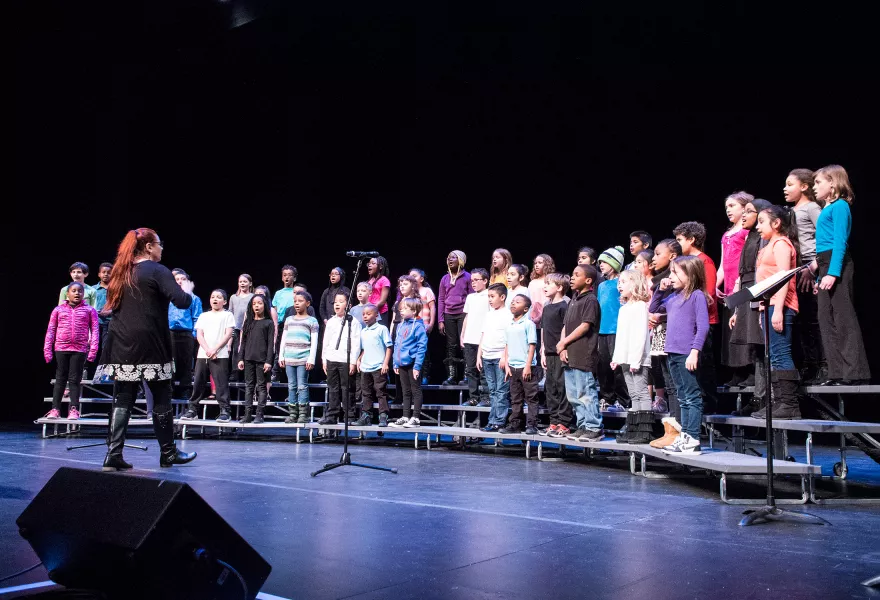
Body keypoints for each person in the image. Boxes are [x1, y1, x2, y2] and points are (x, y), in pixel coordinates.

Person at [100, 228, 197, 470]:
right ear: (149, 247)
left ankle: (113, 454)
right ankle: (168, 453)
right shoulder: (157, 270)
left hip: (121, 341)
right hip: (150, 342)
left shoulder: (121, 272)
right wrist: (188, 289)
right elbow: (182, 301)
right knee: (161, 396)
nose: (162, 248)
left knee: (123, 398)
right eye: (159, 244)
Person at [811, 165, 870, 385]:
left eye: (818, 182)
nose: (814, 187)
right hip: (825, 265)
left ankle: (854, 372)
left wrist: (833, 273)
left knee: (843, 318)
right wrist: (820, 277)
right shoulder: (828, 207)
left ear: (833, 184)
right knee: (825, 319)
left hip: (838, 264)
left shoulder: (840, 206)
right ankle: (835, 372)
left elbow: (839, 242)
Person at [743, 205, 801, 419]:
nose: (758, 227)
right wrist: (761, 308)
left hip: (781, 306)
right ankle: (779, 403)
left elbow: (784, 277)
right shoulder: (769, 245)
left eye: (761, 222)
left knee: (780, 353)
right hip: (768, 306)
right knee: (774, 356)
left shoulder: (781, 243)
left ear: (776, 223)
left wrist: (777, 310)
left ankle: (789, 404)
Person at [649, 256, 709, 455]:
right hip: (672, 353)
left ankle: (693, 439)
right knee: (682, 397)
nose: (671, 276)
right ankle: (685, 437)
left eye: (675, 272)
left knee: (692, 397)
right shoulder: (673, 297)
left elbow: (703, 327)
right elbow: (653, 308)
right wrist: (660, 289)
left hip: (686, 353)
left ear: (690, 274)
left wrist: (694, 352)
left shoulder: (697, 295)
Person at [727, 199, 773, 414]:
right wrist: (736, 308)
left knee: (762, 345)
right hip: (747, 291)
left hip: (758, 290)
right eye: (742, 212)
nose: (743, 216)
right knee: (754, 346)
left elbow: (762, 270)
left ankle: (766, 397)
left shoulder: (762, 239)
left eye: (748, 211)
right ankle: (758, 397)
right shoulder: (750, 238)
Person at [673, 221, 720, 414]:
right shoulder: (683, 264)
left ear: (692, 240)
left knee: (704, 367)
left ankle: (708, 406)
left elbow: (707, 293)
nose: (677, 244)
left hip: (704, 321)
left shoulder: (704, 261)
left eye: (680, 240)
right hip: (687, 325)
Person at [784, 168, 826, 383]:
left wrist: (813, 267)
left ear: (804, 186)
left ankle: (821, 366)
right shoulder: (790, 211)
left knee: (812, 319)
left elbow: (825, 236)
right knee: (799, 320)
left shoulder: (811, 208)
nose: (785, 188)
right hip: (795, 267)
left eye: (790, 184)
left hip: (809, 266)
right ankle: (808, 365)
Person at [43, 282, 99, 420]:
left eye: (80, 291)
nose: (77, 293)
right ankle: (55, 409)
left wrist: (93, 350)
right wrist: (47, 350)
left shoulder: (89, 310)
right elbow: (51, 329)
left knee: (75, 379)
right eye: (73, 291)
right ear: (67, 294)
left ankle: (73, 409)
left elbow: (95, 331)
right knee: (60, 378)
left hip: (79, 349)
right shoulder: (58, 309)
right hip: (61, 347)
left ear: (83, 294)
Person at [560, 265, 603, 442]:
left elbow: (585, 325)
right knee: (573, 394)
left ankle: (594, 427)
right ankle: (583, 425)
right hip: (570, 354)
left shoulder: (590, 300)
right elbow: (565, 325)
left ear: (588, 280)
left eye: (576, 275)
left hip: (583, 353)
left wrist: (564, 341)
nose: (572, 277)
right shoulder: (573, 300)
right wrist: (562, 347)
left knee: (586, 392)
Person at [611, 270, 654, 444]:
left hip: (638, 359)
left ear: (634, 284)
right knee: (633, 394)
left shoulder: (640, 306)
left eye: (623, 282)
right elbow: (621, 336)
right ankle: (634, 429)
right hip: (625, 358)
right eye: (618, 282)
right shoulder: (624, 308)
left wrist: (636, 360)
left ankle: (644, 432)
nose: (619, 285)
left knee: (642, 392)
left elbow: (640, 335)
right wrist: (616, 357)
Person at [181, 289, 235, 422]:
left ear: (225, 301)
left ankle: (225, 411)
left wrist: (215, 350)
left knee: (221, 383)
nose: (215, 299)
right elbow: (199, 334)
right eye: (212, 297)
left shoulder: (227, 315)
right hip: (203, 354)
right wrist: (207, 350)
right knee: (198, 382)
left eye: (218, 297)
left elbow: (228, 334)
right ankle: (193, 410)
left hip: (220, 354)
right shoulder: (204, 316)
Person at [717, 192, 752, 387]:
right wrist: (715, 284)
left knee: (743, 329)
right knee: (731, 332)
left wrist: (741, 279)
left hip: (742, 285)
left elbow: (747, 259)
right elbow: (723, 265)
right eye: (727, 207)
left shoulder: (746, 232)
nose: (728, 210)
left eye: (732, 206)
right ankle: (736, 373)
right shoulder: (726, 234)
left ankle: (748, 373)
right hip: (729, 289)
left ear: (744, 207)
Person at [320, 292, 362, 424]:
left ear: (348, 305)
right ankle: (332, 415)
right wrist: (324, 359)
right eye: (335, 302)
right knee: (333, 387)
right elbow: (326, 341)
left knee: (347, 388)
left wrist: (353, 362)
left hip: (346, 360)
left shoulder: (353, 322)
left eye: (341, 301)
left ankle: (349, 415)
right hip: (332, 358)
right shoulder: (331, 322)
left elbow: (356, 343)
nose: (337, 304)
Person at [499, 294, 539, 435]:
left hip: (526, 367)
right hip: (513, 367)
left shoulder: (528, 324)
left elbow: (532, 345)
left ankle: (532, 425)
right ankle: (515, 423)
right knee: (515, 398)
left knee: (531, 397)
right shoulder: (509, 324)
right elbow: (507, 345)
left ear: (526, 309)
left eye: (518, 302)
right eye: (513, 301)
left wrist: (528, 365)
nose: (513, 304)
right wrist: (507, 364)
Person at [540, 273, 573, 438]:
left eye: (548, 283)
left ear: (559, 287)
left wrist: (563, 347)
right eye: (544, 283)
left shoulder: (564, 306)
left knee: (562, 388)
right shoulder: (546, 307)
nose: (544, 286)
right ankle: (553, 421)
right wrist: (543, 351)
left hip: (559, 353)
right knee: (550, 388)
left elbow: (565, 328)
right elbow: (544, 330)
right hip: (549, 354)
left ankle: (564, 423)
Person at [279, 291, 319, 423]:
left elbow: (314, 342)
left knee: (302, 385)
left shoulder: (312, 321)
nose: (297, 303)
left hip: (303, 358)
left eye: (300, 301)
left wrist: (311, 359)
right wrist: (281, 356)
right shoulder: (289, 320)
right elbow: (283, 339)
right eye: (295, 301)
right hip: (289, 357)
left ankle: (303, 414)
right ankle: (293, 413)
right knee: (291, 386)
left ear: (307, 303)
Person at [596, 246, 629, 409]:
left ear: (615, 264)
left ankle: (623, 400)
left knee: (618, 368)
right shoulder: (602, 285)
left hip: (617, 330)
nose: (601, 264)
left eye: (605, 262)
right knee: (603, 366)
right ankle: (606, 397)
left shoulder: (621, 283)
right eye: (600, 261)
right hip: (602, 331)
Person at [477, 284, 512, 432]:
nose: (489, 300)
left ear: (502, 297)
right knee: (492, 391)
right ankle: (492, 420)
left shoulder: (508, 315)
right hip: (487, 356)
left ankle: (499, 421)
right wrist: (479, 355)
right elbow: (483, 335)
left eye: (492, 296)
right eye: (488, 297)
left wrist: (505, 357)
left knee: (501, 391)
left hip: (499, 357)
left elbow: (509, 338)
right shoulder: (489, 314)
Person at [237, 294, 275, 424]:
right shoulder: (249, 322)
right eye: (254, 304)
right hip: (248, 359)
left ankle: (259, 414)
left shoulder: (269, 323)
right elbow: (243, 342)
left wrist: (269, 361)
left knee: (261, 387)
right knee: (249, 386)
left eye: (259, 303)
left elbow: (271, 344)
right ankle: (247, 414)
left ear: (264, 305)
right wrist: (240, 358)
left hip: (262, 360)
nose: (256, 306)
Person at [390, 297, 428, 428]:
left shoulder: (418, 326)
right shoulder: (400, 325)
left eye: (405, 308)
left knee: (415, 389)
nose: (402, 311)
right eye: (401, 308)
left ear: (414, 311)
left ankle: (416, 417)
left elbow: (422, 347)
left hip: (413, 364)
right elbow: (397, 344)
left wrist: (417, 366)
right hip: (401, 364)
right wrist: (395, 362)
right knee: (405, 390)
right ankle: (406, 416)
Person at [355, 304, 393, 427]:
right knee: (366, 392)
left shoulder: (381, 329)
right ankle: (366, 415)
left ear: (376, 315)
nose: (365, 316)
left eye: (368, 314)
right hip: (365, 367)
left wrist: (385, 363)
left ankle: (383, 415)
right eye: (364, 314)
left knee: (380, 392)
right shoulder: (363, 331)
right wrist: (359, 359)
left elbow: (389, 347)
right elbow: (364, 348)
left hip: (378, 366)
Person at [437, 251, 471, 385]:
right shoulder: (445, 278)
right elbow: (441, 299)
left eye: (453, 257)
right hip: (449, 314)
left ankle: (467, 375)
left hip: (462, 313)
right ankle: (452, 376)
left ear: (461, 260)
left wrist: (469, 316)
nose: (450, 259)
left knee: (464, 344)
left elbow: (471, 297)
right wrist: (440, 320)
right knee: (451, 345)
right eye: (448, 257)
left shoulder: (467, 277)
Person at [168, 269, 202, 400]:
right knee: (169, 362)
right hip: (170, 332)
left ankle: (185, 390)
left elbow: (196, 317)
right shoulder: (168, 298)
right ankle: (168, 389)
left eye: (183, 279)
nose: (180, 281)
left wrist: (194, 335)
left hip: (186, 333)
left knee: (186, 362)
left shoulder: (194, 298)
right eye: (177, 279)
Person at [460, 268, 491, 407]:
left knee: (483, 369)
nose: (473, 283)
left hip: (483, 338)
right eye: (472, 280)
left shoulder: (489, 296)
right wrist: (462, 334)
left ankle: (486, 397)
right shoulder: (470, 297)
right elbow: (467, 317)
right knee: (470, 369)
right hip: (469, 338)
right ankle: (473, 397)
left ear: (485, 281)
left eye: (476, 280)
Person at [229, 274, 254, 383]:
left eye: (245, 281)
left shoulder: (252, 296)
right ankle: (235, 373)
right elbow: (230, 312)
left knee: (246, 349)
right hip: (236, 327)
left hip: (248, 327)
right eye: (240, 282)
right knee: (236, 350)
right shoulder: (233, 297)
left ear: (250, 283)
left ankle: (246, 373)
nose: (242, 283)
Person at [92, 262, 113, 379]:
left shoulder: (115, 289)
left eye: (109, 272)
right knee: (91, 347)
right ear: (99, 274)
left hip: (110, 323)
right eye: (103, 272)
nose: (106, 274)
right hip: (94, 323)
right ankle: (85, 372)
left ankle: (104, 374)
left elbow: (121, 305)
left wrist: (111, 311)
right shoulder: (93, 289)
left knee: (106, 348)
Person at [367, 256, 392, 327]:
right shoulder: (369, 281)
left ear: (380, 267)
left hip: (380, 312)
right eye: (369, 263)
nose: (369, 265)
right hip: (369, 312)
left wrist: (371, 310)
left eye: (373, 263)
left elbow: (382, 301)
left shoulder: (384, 280)